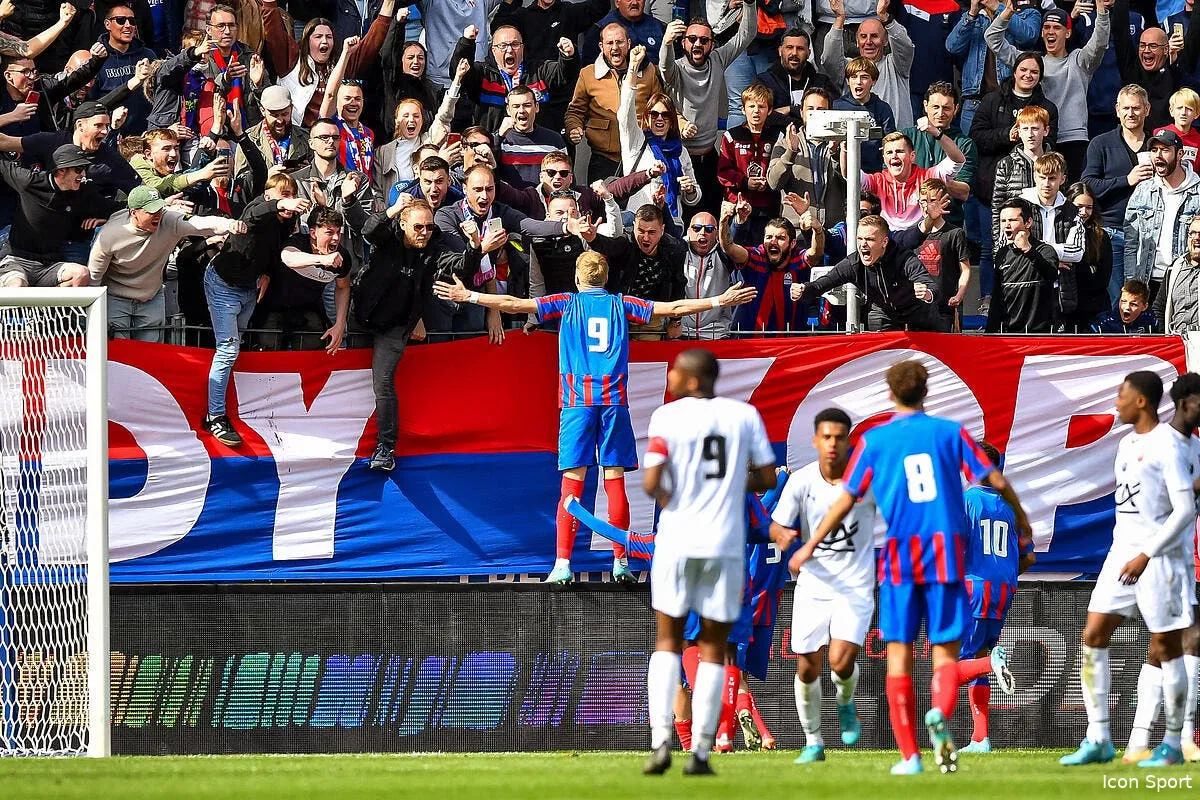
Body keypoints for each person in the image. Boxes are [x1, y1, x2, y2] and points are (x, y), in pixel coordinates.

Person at [432, 252, 759, 585]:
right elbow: (673, 308)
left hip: (577, 405)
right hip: (613, 404)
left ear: (577, 278)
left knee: (572, 481)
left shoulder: (568, 303)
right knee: (614, 479)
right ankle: (620, 561)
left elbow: (514, 304)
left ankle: (562, 563)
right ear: (605, 279)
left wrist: (468, 295)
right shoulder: (621, 304)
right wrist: (721, 299)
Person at [789, 360, 1032, 775]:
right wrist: (1022, 520)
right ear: (926, 392)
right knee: (946, 655)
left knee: (899, 656)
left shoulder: (875, 442)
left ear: (890, 393)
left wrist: (810, 542)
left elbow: (846, 500)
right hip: (947, 560)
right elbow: (996, 480)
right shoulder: (951, 433)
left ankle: (910, 758)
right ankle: (940, 713)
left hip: (901, 559)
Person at [639, 347, 777, 777]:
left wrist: (676, 497)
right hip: (724, 546)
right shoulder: (743, 417)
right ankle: (702, 748)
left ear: (693, 379)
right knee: (716, 647)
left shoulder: (667, 418)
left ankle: (662, 740)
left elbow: (651, 483)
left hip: (678, 542)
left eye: (678, 373)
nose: (673, 378)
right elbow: (768, 478)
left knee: (669, 642)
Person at [1061, 371, 1199, 768]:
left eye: (1122, 395)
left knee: (1168, 648)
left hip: (1159, 559)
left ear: (1141, 401)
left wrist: (1147, 554)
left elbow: (1185, 509)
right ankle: (1099, 737)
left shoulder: (1169, 447)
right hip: (1120, 551)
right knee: (1093, 634)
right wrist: (1130, 551)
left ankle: (1174, 743)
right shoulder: (1126, 444)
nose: (1116, 402)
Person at [771, 408, 878, 764]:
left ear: (850, 441)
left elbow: (899, 513)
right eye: (826, 437)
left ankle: (846, 702)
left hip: (855, 584)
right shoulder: (801, 481)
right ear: (816, 441)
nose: (833, 444)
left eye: (840, 437)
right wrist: (786, 538)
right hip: (813, 584)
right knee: (807, 666)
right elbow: (778, 525)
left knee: (839, 661)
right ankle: (813, 741)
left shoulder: (867, 481)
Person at [346, 194, 479, 471]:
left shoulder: (434, 247)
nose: (425, 233)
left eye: (429, 227)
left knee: (382, 383)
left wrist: (475, 247)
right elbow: (369, 230)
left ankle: (386, 447)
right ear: (404, 224)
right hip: (361, 315)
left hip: (396, 325)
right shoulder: (390, 237)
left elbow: (461, 266)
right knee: (344, 372)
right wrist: (394, 209)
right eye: (419, 227)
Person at [202, 173, 312, 448]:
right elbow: (254, 216)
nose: (288, 199)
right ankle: (214, 415)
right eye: (282, 193)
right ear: (268, 196)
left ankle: (239, 406)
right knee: (228, 349)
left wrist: (266, 274)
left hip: (250, 288)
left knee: (238, 345)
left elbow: (274, 252)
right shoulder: (257, 209)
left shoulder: (286, 224)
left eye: (291, 193)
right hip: (223, 284)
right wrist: (280, 204)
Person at [88, 185, 245, 341]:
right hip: (116, 299)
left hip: (151, 298)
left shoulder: (169, 220)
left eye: (160, 209)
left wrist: (230, 224)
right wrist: (94, 311)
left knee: (150, 353)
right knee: (119, 353)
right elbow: (94, 275)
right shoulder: (109, 235)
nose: (158, 215)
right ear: (134, 212)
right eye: (151, 211)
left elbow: (201, 223)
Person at [958, 441, 1034, 753]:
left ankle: (992, 663)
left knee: (959, 661)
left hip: (973, 587)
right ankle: (980, 738)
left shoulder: (967, 500)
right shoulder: (1009, 507)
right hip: (1004, 588)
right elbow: (1029, 558)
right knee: (977, 658)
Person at [970, 52, 1060, 311]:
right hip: (995, 185)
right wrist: (1004, 136)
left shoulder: (1047, 107)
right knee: (991, 249)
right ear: (1014, 70)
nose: (1028, 75)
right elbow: (977, 136)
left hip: (1038, 219)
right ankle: (989, 297)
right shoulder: (992, 100)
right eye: (1023, 69)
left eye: (1034, 71)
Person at [986, 0, 1112, 181]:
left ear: (1068, 33)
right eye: (1046, 27)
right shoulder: (1033, 65)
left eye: (1057, 27)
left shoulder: (1080, 61)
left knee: (1072, 194)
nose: (1050, 32)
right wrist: (1006, 14)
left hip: (1073, 139)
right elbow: (993, 39)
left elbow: (1099, 43)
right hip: (1040, 140)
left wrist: (1101, 11)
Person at [657, 8, 755, 214]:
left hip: (710, 156)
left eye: (703, 40)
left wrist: (750, 3)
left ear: (712, 44)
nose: (697, 44)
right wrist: (666, 42)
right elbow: (664, 68)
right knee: (682, 217)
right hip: (680, 158)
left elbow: (747, 34)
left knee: (712, 213)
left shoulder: (718, 60)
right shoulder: (676, 68)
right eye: (692, 39)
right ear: (683, 42)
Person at [0, 143, 122, 288]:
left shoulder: (83, 193)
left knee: (81, 274)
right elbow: (3, 164)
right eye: (78, 169)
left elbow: (120, 208)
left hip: (49, 265)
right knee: (17, 284)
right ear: (61, 170)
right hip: (17, 260)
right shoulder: (30, 182)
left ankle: (46, 310)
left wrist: (107, 220)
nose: (83, 175)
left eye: (85, 169)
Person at [794, 213, 942, 331]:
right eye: (860, 238)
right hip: (883, 312)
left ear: (884, 242)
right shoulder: (854, 263)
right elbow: (822, 284)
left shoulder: (904, 258)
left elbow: (931, 285)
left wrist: (927, 293)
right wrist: (804, 289)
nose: (863, 244)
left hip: (917, 311)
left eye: (869, 239)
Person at [566, 22, 664, 183]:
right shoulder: (588, 74)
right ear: (601, 46)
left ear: (629, 43)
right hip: (603, 159)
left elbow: (661, 106)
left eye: (619, 42)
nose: (615, 47)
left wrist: (682, 125)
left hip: (641, 155)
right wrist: (573, 128)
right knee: (604, 206)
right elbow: (575, 110)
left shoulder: (648, 71)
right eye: (609, 43)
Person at [1082, 84, 1153, 304]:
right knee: (1118, 301)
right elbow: (1087, 185)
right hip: (1112, 232)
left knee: (1142, 300)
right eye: (1126, 108)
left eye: (1136, 108)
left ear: (1147, 109)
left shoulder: (1156, 145)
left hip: (1149, 235)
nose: (1130, 113)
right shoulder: (1101, 143)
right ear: (1116, 110)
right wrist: (1126, 180)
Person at [618, 45, 700, 228]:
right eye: (654, 114)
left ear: (672, 120)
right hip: (640, 224)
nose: (659, 119)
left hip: (672, 224)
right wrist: (633, 66)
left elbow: (693, 198)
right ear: (647, 117)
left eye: (665, 115)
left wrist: (690, 190)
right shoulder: (636, 141)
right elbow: (625, 112)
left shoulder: (680, 150)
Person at [450, 22, 579, 134]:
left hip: (533, 147)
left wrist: (568, 56)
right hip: (494, 149)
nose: (510, 50)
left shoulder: (539, 70)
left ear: (522, 48)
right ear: (493, 50)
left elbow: (564, 75)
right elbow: (460, 71)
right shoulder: (482, 73)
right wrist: (467, 43)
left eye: (515, 44)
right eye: (503, 46)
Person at [721, 203, 823, 333]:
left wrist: (818, 230)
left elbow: (816, 254)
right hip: (751, 344)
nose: (773, 242)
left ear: (792, 243)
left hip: (791, 345)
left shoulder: (798, 259)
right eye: (768, 237)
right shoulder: (756, 257)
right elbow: (729, 247)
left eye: (780, 238)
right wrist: (723, 221)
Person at [1123, 129, 1200, 298]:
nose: (1158, 155)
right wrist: (1130, 283)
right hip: (1146, 281)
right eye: (1154, 150)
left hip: (1186, 282)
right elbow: (1131, 242)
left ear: (1180, 154)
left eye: (1165, 150)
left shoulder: (1198, 193)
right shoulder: (1143, 190)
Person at [946, 0, 1042, 134]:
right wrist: (972, 14)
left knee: (1006, 149)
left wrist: (1000, 9)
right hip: (974, 100)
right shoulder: (972, 16)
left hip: (1007, 100)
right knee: (969, 152)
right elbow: (952, 47)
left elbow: (1029, 37)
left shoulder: (1027, 13)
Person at [821, 0, 915, 129]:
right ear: (857, 41)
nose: (868, 41)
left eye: (874, 36)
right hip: (856, 146)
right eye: (863, 36)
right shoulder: (850, 67)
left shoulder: (896, 65)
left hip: (896, 144)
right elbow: (829, 59)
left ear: (886, 41)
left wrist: (884, 16)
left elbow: (905, 46)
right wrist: (839, 18)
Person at [892, 179, 972, 330]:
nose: (926, 205)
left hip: (945, 307)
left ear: (944, 201)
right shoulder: (912, 234)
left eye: (932, 200)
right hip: (916, 308)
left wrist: (959, 295)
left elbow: (965, 269)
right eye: (922, 200)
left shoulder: (955, 233)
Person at [718, 83, 787, 245]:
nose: (756, 111)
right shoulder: (731, 136)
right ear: (743, 109)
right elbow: (723, 172)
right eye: (751, 106)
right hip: (738, 205)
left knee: (763, 253)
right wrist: (744, 182)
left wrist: (768, 184)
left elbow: (781, 169)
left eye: (762, 107)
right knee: (735, 250)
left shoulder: (777, 136)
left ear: (769, 111)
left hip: (767, 207)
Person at [767, 89, 847, 229]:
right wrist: (791, 152)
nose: (815, 114)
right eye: (810, 109)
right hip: (798, 230)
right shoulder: (784, 144)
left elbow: (851, 184)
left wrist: (836, 153)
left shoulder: (842, 144)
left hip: (833, 231)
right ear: (801, 112)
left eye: (821, 110)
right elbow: (774, 183)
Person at [858, 130, 965, 233]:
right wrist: (845, 149)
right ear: (884, 158)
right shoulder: (878, 181)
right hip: (888, 242)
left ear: (912, 156)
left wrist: (937, 133)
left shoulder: (927, 177)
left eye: (899, 151)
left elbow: (957, 160)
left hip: (921, 239)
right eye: (889, 152)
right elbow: (851, 175)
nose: (894, 156)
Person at [988, 198, 1060, 332]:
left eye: (1012, 220)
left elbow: (1051, 275)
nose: (1006, 225)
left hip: (1040, 334)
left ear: (1028, 222)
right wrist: (990, 332)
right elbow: (997, 297)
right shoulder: (1002, 255)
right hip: (1009, 333)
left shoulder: (1045, 251)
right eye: (1003, 221)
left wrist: (1028, 250)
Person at [990, 105, 1053, 243]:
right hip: (1015, 243)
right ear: (1018, 131)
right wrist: (999, 248)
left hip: (1047, 240)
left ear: (1046, 130)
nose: (1030, 134)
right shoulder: (1006, 164)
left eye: (1035, 129)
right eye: (1025, 129)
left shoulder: (1056, 164)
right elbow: (997, 208)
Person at [92, 3, 158, 134]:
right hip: (111, 134)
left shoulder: (148, 55)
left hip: (147, 133)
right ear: (107, 24)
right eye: (121, 20)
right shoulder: (97, 58)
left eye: (132, 21)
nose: (128, 25)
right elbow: (91, 103)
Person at [832, 57, 896, 175]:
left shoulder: (882, 108)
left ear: (874, 81)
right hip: (841, 173)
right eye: (854, 77)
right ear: (847, 81)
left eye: (864, 77)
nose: (858, 82)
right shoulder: (837, 106)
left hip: (874, 174)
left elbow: (891, 142)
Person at [755, 27, 832, 124]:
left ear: (809, 53)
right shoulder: (764, 82)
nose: (794, 53)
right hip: (776, 137)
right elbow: (761, 116)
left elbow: (831, 114)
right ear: (780, 51)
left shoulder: (821, 82)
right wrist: (800, 118)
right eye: (789, 47)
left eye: (800, 48)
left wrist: (789, 110)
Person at [496, 86, 567, 190]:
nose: (521, 110)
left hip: (545, 203)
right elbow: (489, 171)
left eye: (527, 105)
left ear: (537, 107)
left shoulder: (554, 140)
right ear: (508, 110)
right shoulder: (500, 140)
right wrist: (499, 137)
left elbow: (567, 177)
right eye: (516, 106)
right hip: (509, 203)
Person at [1065, 182, 1115, 330]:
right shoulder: (1060, 232)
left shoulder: (1100, 236)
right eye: (1079, 206)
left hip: (1094, 309)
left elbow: (1102, 279)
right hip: (1066, 309)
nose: (1084, 212)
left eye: (1089, 207)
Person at [237, 84, 311, 174]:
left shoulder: (306, 137)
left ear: (291, 109)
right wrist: (266, 177)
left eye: (285, 114)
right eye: (274, 115)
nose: (280, 121)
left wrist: (309, 171)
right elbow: (240, 181)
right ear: (263, 111)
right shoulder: (248, 140)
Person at [581, 0, 665, 67]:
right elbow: (589, 68)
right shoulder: (600, 29)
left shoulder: (659, 27)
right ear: (617, 2)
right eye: (629, 0)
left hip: (656, 82)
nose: (635, 3)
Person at [1153, 215, 1200, 333]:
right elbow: (1159, 308)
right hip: (1176, 342)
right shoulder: (1174, 268)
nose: (1196, 238)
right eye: (1192, 233)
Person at [1156, 88, 1200, 174]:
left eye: (1189, 109)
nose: (1183, 112)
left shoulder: (1198, 139)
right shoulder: (1159, 133)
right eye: (1179, 108)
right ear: (1171, 111)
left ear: (1197, 114)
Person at [1093, 278, 1159, 332]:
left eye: (1133, 304)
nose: (1127, 307)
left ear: (1144, 307)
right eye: (1123, 301)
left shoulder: (1150, 319)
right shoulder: (1103, 323)